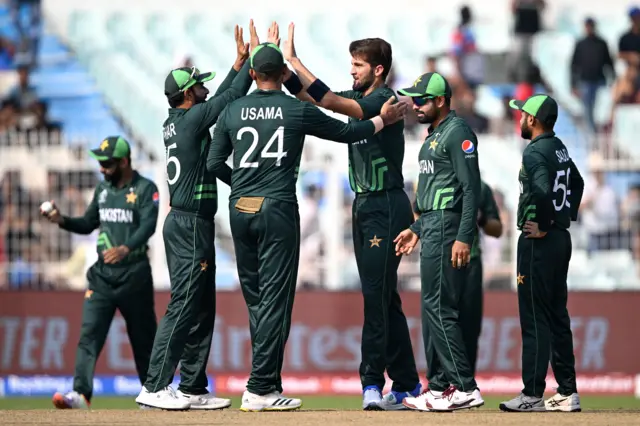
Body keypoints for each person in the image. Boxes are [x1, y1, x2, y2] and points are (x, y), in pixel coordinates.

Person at [207, 35, 407, 412]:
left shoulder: (232, 110)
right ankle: (261, 386)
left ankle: (265, 380)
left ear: (252, 74)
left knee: (257, 301)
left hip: (239, 210)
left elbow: (215, 163)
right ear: (281, 74)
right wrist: (382, 120)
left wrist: (243, 186)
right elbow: (347, 128)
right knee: (276, 302)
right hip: (277, 209)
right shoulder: (293, 110)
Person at [281, 22, 421, 410]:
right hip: (364, 206)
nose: (352, 71)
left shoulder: (384, 100)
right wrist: (286, 75)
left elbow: (331, 103)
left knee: (375, 297)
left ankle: (372, 382)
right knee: (384, 298)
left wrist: (294, 59)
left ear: (378, 69)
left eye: (358, 65)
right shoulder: (362, 96)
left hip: (384, 205)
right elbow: (314, 99)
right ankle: (408, 384)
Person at [135, 23, 255, 411]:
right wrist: (248, 64)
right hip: (188, 223)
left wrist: (238, 61)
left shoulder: (180, 120)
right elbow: (230, 97)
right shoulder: (190, 120)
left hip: (192, 223)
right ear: (188, 94)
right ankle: (154, 386)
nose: (205, 87)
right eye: (199, 85)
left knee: (202, 306)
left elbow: (216, 101)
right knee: (185, 302)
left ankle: (192, 387)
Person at [42, 136, 159, 409]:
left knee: (143, 340)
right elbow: (87, 223)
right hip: (102, 277)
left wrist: (125, 248)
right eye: (100, 163)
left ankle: (152, 394)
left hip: (135, 275)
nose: (102, 168)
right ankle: (81, 394)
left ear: (124, 161)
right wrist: (62, 220)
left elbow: (148, 226)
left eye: (107, 163)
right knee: (89, 335)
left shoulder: (145, 189)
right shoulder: (103, 190)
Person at [393, 72, 484, 412]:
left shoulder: (458, 132)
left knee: (440, 307)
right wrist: (416, 228)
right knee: (432, 307)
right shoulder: (434, 135)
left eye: (421, 100)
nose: (415, 105)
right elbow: (433, 192)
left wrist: (464, 235)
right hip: (433, 225)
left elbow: (470, 188)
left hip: (448, 228)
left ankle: (464, 385)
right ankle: (439, 387)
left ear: (441, 101)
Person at [500, 94, 584, 412]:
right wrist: (564, 218)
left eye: (522, 114)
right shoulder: (558, 146)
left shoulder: (535, 152)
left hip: (539, 241)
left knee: (535, 319)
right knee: (557, 316)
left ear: (533, 120)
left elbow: (540, 188)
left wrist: (547, 223)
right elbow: (577, 181)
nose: (519, 119)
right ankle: (567, 391)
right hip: (560, 240)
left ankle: (532, 394)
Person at [464, 181, 502, 374]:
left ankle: (466, 383)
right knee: (437, 323)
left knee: (470, 325)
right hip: (438, 260)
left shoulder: (480, 188)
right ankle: (438, 382)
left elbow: (497, 229)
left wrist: (481, 219)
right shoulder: (435, 177)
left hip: (471, 261)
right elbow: (416, 212)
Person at [570, 17, 615, 133]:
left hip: (600, 81)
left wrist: (613, 79)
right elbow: (574, 66)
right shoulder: (581, 44)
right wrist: (573, 85)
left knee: (601, 109)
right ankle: (592, 133)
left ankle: (602, 131)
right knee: (588, 109)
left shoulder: (601, 43)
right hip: (585, 81)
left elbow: (609, 62)